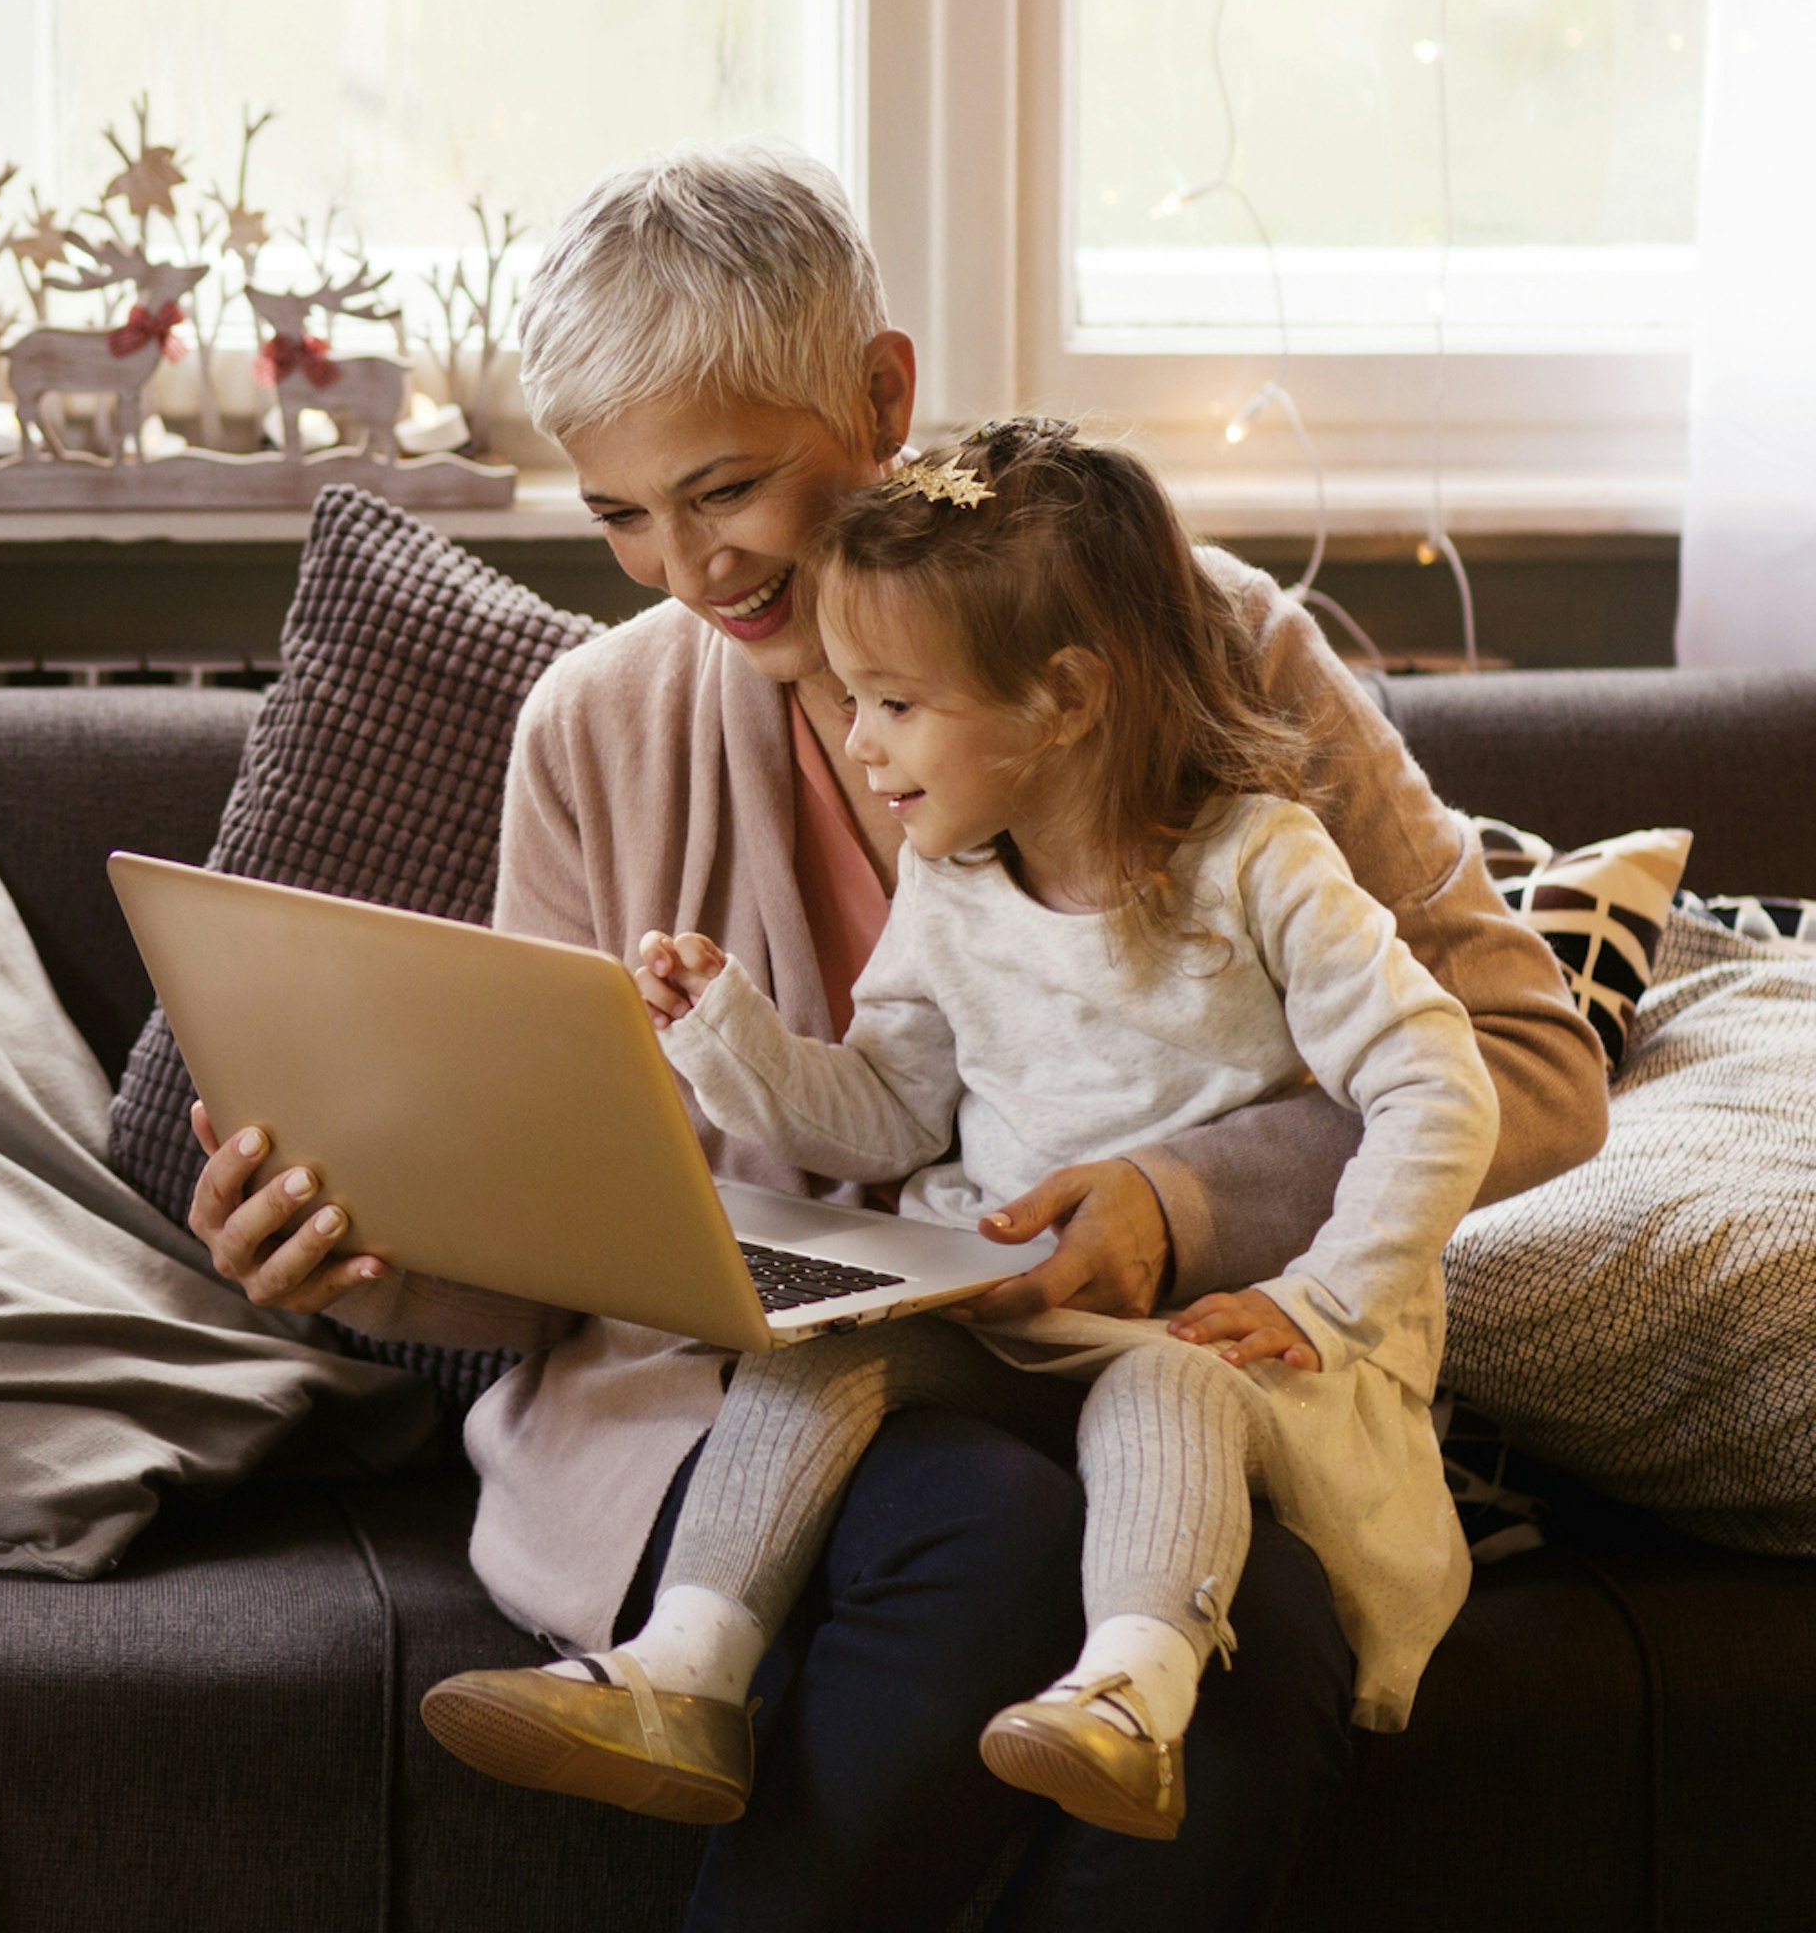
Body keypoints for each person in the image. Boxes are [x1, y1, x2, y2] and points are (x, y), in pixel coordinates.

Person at [181, 143, 1606, 1930]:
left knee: (1263, 1641)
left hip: (1167, 1368)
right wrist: (361, 1253)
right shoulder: (594, 731)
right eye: (621, 516)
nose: (688, 568)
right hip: (750, 1396)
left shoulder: (1204, 644)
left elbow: (1529, 1059)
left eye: (726, 489)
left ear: (883, 392)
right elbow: (558, 1250)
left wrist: (1176, 1201)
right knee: (982, 1534)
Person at [419, 417, 1495, 1845]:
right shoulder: (955, 880)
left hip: (1219, 1344)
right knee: (817, 1357)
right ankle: (680, 1676)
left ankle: (1126, 1700)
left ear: (1062, 698)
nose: (857, 745)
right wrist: (724, 1035)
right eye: (852, 704)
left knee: (1159, 1398)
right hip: (1005, 1321)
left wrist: (1329, 1299)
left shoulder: (1259, 863)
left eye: (892, 706)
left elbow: (1444, 1076)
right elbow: (882, 1112)